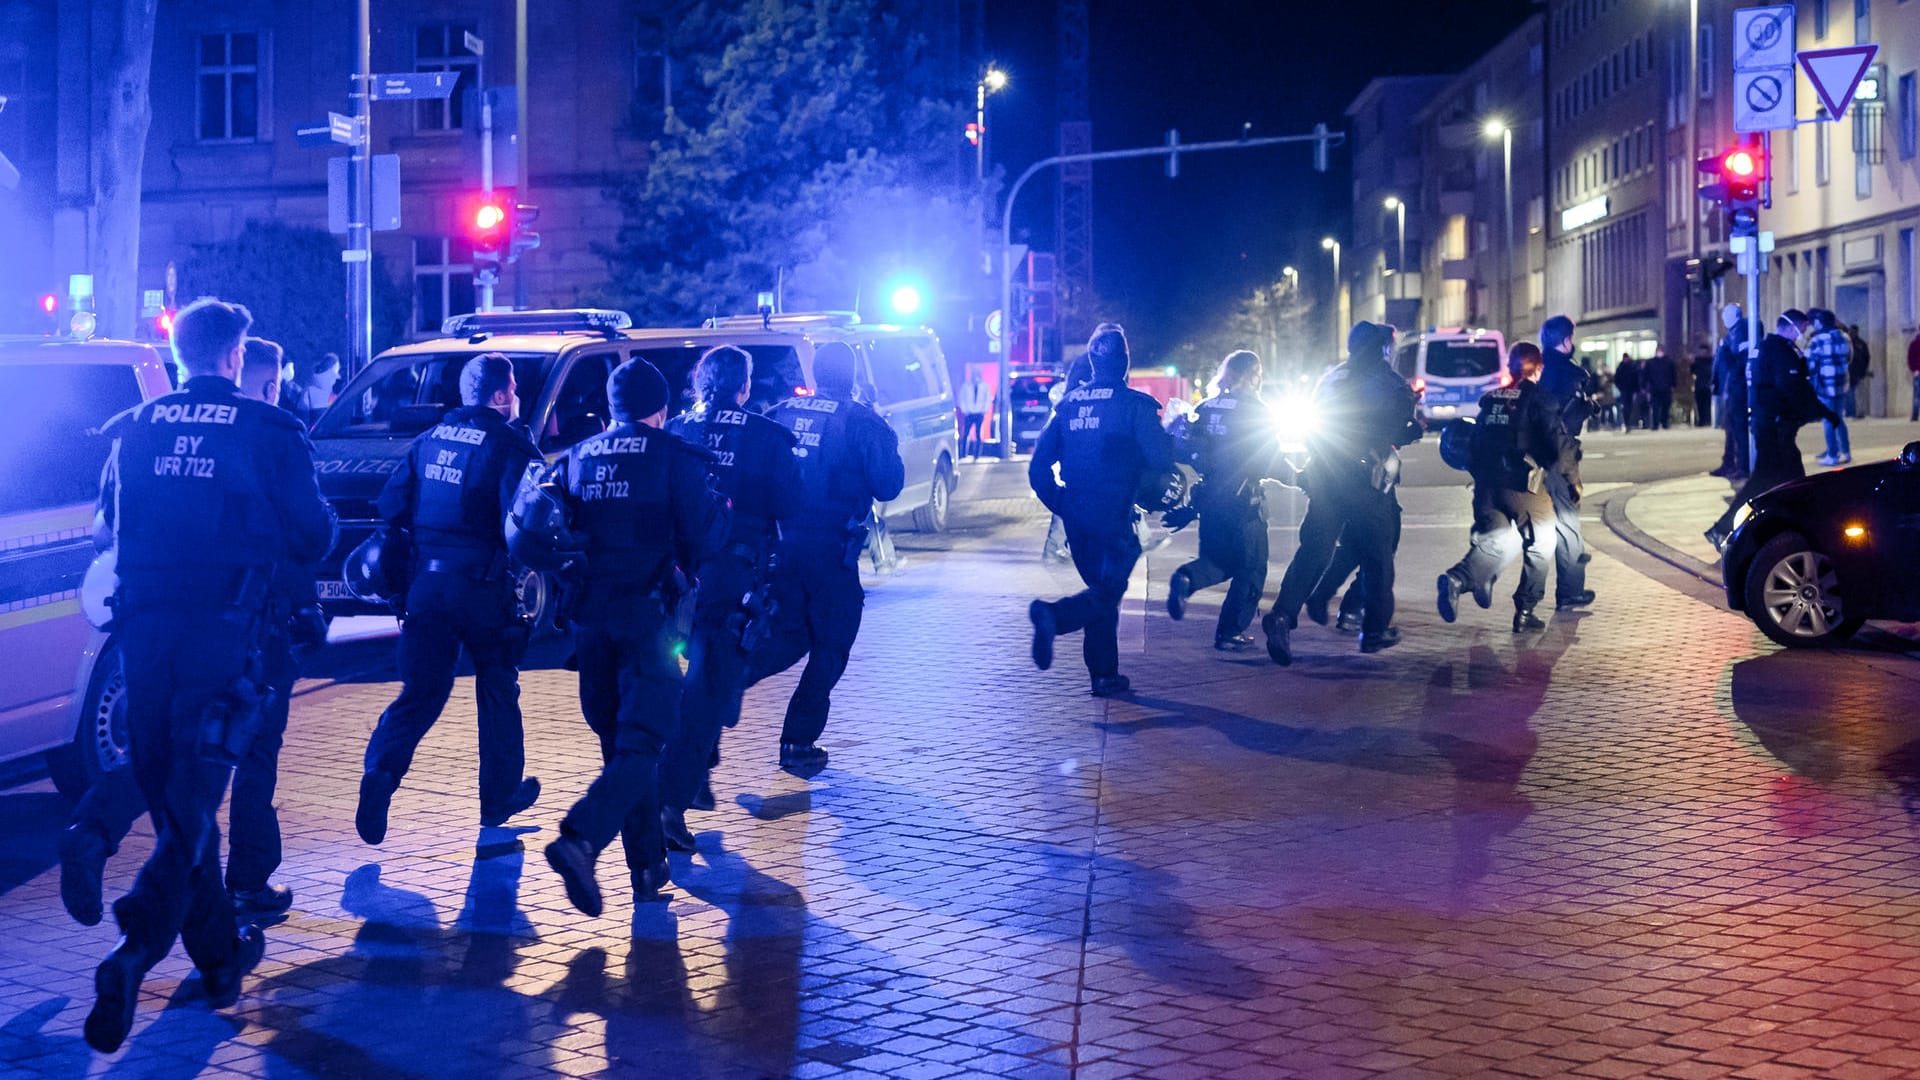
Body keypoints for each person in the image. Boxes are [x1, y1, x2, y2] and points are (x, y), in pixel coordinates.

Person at [81, 299, 335, 1053]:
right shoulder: (270, 430)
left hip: (142, 634)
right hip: (225, 638)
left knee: (170, 792)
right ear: (234, 357)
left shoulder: (133, 427)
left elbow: (105, 525)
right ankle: (132, 949)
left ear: (183, 352)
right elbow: (314, 535)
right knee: (193, 800)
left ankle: (220, 960)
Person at [541, 358, 725, 916]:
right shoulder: (676, 458)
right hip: (648, 622)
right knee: (643, 743)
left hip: (590, 624)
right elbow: (706, 536)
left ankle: (646, 868)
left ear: (613, 409)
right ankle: (579, 839)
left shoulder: (576, 458)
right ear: (662, 410)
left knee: (621, 747)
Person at [355, 354, 542, 847]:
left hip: (426, 590)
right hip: (482, 589)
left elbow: (391, 511)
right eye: (514, 390)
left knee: (420, 693)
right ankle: (499, 796)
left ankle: (380, 773)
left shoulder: (427, 440)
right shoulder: (509, 444)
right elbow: (526, 525)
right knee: (498, 686)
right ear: (501, 395)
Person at [658, 346, 799, 851]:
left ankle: (693, 774)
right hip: (728, 581)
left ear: (700, 383)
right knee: (707, 691)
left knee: (694, 685)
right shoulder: (767, 436)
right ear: (745, 387)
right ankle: (670, 804)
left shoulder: (675, 430)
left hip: (672, 579)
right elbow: (791, 505)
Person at [748, 342, 905, 768]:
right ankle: (798, 741)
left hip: (779, 549)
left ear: (816, 374)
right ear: (851, 376)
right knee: (832, 643)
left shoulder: (780, 412)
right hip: (830, 553)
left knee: (788, 636)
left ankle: (720, 688)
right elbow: (889, 484)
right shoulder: (862, 422)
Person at [1260, 321, 1421, 664]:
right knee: (1378, 558)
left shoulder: (1331, 379)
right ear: (1381, 349)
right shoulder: (1390, 383)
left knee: (1314, 551)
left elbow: (1313, 425)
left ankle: (1282, 616)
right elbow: (1401, 427)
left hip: (1325, 475)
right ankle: (1374, 630)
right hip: (1367, 480)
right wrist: (1412, 431)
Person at [1027, 324, 1173, 695]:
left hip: (1076, 516)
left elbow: (1037, 468)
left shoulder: (1069, 406)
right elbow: (1161, 457)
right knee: (1108, 590)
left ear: (1092, 362)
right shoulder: (1133, 406)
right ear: (1125, 362)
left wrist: (1061, 503)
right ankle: (1054, 617)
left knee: (1100, 591)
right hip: (1114, 513)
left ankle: (1104, 675)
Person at [1437, 342, 1577, 633]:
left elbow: (1474, 443)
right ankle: (1525, 610)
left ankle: (1457, 580)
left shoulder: (1490, 400)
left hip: (1487, 487)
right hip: (1522, 486)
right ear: (1538, 369)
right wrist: (1572, 480)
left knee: (1494, 541)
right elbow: (1560, 445)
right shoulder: (1539, 399)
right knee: (1542, 544)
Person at [1166, 350, 1285, 651]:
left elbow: (1190, 448)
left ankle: (1186, 578)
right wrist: (1302, 478)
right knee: (1252, 567)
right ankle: (1230, 632)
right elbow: (1268, 460)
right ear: (1252, 375)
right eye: (1258, 374)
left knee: (1218, 560)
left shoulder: (1206, 407)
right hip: (1244, 502)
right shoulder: (1256, 409)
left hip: (1210, 499)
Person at [1707, 310, 1839, 547]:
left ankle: (1797, 529)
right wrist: (1821, 412)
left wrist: (1823, 413)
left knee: (1791, 483)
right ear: (1791, 327)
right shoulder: (1779, 351)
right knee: (1768, 482)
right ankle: (1724, 529)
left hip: (1773, 427)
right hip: (1775, 428)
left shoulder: (1769, 348)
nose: (1803, 334)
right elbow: (1793, 388)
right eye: (1802, 328)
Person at [1535, 315, 1596, 611]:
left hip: (1536, 452)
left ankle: (1529, 597)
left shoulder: (1537, 368)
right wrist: (1586, 407)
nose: (1572, 342)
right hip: (1561, 453)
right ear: (1564, 340)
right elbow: (1567, 418)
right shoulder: (1571, 375)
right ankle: (1570, 591)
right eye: (1570, 337)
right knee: (1568, 521)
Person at [1807, 308, 1853, 466]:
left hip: (1825, 385)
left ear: (1819, 322)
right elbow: (1849, 358)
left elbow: (1811, 364)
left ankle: (1832, 455)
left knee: (1828, 419)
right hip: (1841, 383)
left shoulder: (1817, 340)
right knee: (1839, 418)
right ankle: (1846, 452)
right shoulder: (1845, 337)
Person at [1711, 304, 1750, 478]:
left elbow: (1734, 362)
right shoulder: (1732, 335)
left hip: (1737, 389)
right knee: (1731, 428)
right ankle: (1730, 464)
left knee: (1738, 429)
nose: (1724, 318)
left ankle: (1741, 466)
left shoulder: (1740, 333)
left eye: (1727, 314)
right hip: (1731, 389)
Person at [957, 369, 992, 459]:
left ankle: (977, 454)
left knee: (978, 433)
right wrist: (965, 410)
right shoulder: (966, 386)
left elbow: (987, 399)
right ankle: (963, 453)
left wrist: (983, 410)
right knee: (965, 434)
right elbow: (962, 398)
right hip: (969, 413)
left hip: (979, 413)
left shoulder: (985, 386)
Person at [1643, 346, 1676, 431]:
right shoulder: (1651, 363)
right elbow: (1645, 375)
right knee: (1655, 407)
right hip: (1655, 389)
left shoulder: (1669, 362)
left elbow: (1673, 375)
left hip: (1666, 388)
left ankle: (1664, 423)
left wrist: (1673, 385)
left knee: (1665, 407)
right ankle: (1656, 424)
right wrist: (1645, 386)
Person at [1847, 324, 1871, 419]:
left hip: (1857, 373)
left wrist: (1863, 371)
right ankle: (1850, 412)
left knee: (1858, 394)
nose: (1851, 333)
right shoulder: (1847, 344)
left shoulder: (1861, 344)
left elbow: (1866, 359)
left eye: (1853, 332)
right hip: (1848, 373)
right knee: (1849, 394)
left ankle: (1858, 412)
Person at [1613, 354, 1642, 429]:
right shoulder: (1623, 367)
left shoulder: (1630, 367)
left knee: (1629, 406)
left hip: (1629, 390)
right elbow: (1616, 379)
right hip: (1625, 390)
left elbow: (1636, 378)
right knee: (1626, 406)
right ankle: (1626, 422)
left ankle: (1628, 422)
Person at [1690, 345, 1715, 429]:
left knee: (1705, 405)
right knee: (1701, 405)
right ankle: (1702, 421)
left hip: (1705, 385)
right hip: (1701, 385)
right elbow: (1692, 371)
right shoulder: (1699, 361)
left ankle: (1706, 421)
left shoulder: (1709, 360)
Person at [1909, 329, 1920, 422]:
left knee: (1916, 395)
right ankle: (1915, 415)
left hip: (1917, 372)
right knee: (1916, 395)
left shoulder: (1914, 343)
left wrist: (1914, 369)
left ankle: (1915, 415)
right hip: (1918, 372)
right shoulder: (1915, 344)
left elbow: (1910, 358)